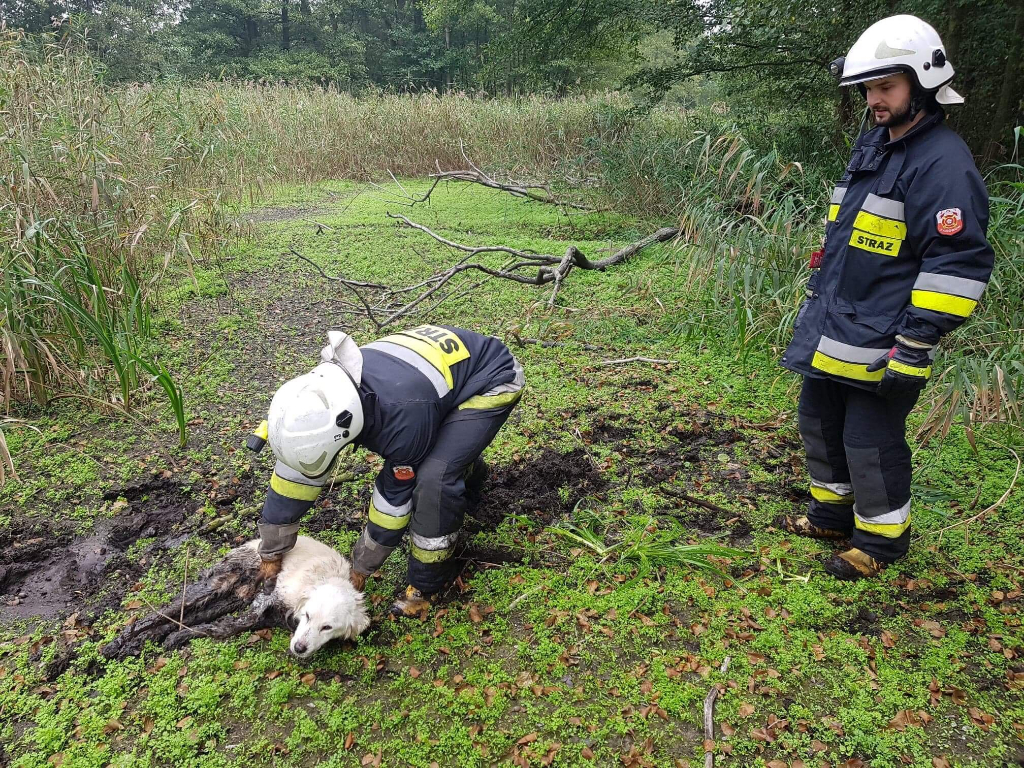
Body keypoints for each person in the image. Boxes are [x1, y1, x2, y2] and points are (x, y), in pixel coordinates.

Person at [779, 15, 994, 579]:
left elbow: (958, 261)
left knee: (868, 440)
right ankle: (830, 515)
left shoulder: (944, 163)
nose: (875, 99)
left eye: (886, 87)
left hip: (889, 336)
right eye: (869, 88)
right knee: (819, 420)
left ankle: (879, 543)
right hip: (838, 322)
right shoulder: (876, 145)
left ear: (922, 83)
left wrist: (916, 343)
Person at [247, 324, 525, 615]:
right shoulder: (313, 400)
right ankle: (467, 473)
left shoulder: (402, 423)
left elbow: (392, 503)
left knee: (435, 478)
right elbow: (294, 477)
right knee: (443, 456)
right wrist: (271, 552)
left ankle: (429, 585)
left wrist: (360, 569)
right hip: (428, 382)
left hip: (490, 376)